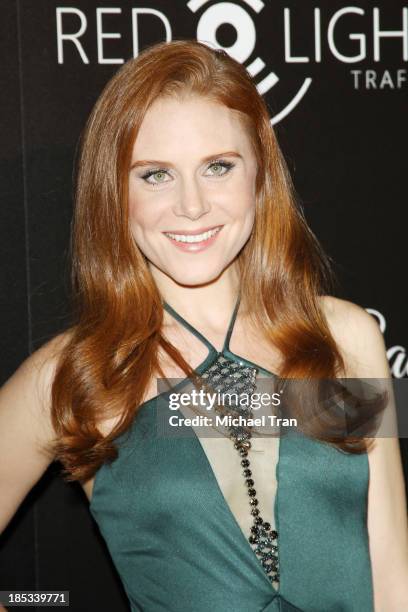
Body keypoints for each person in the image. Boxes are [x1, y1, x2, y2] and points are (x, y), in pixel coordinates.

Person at [0, 38, 407, 612]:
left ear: (260, 175)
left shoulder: (343, 338)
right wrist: (40, 603)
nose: (192, 205)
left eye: (218, 167)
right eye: (155, 175)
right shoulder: (78, 375)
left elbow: (395, 580)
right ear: (112, 193)